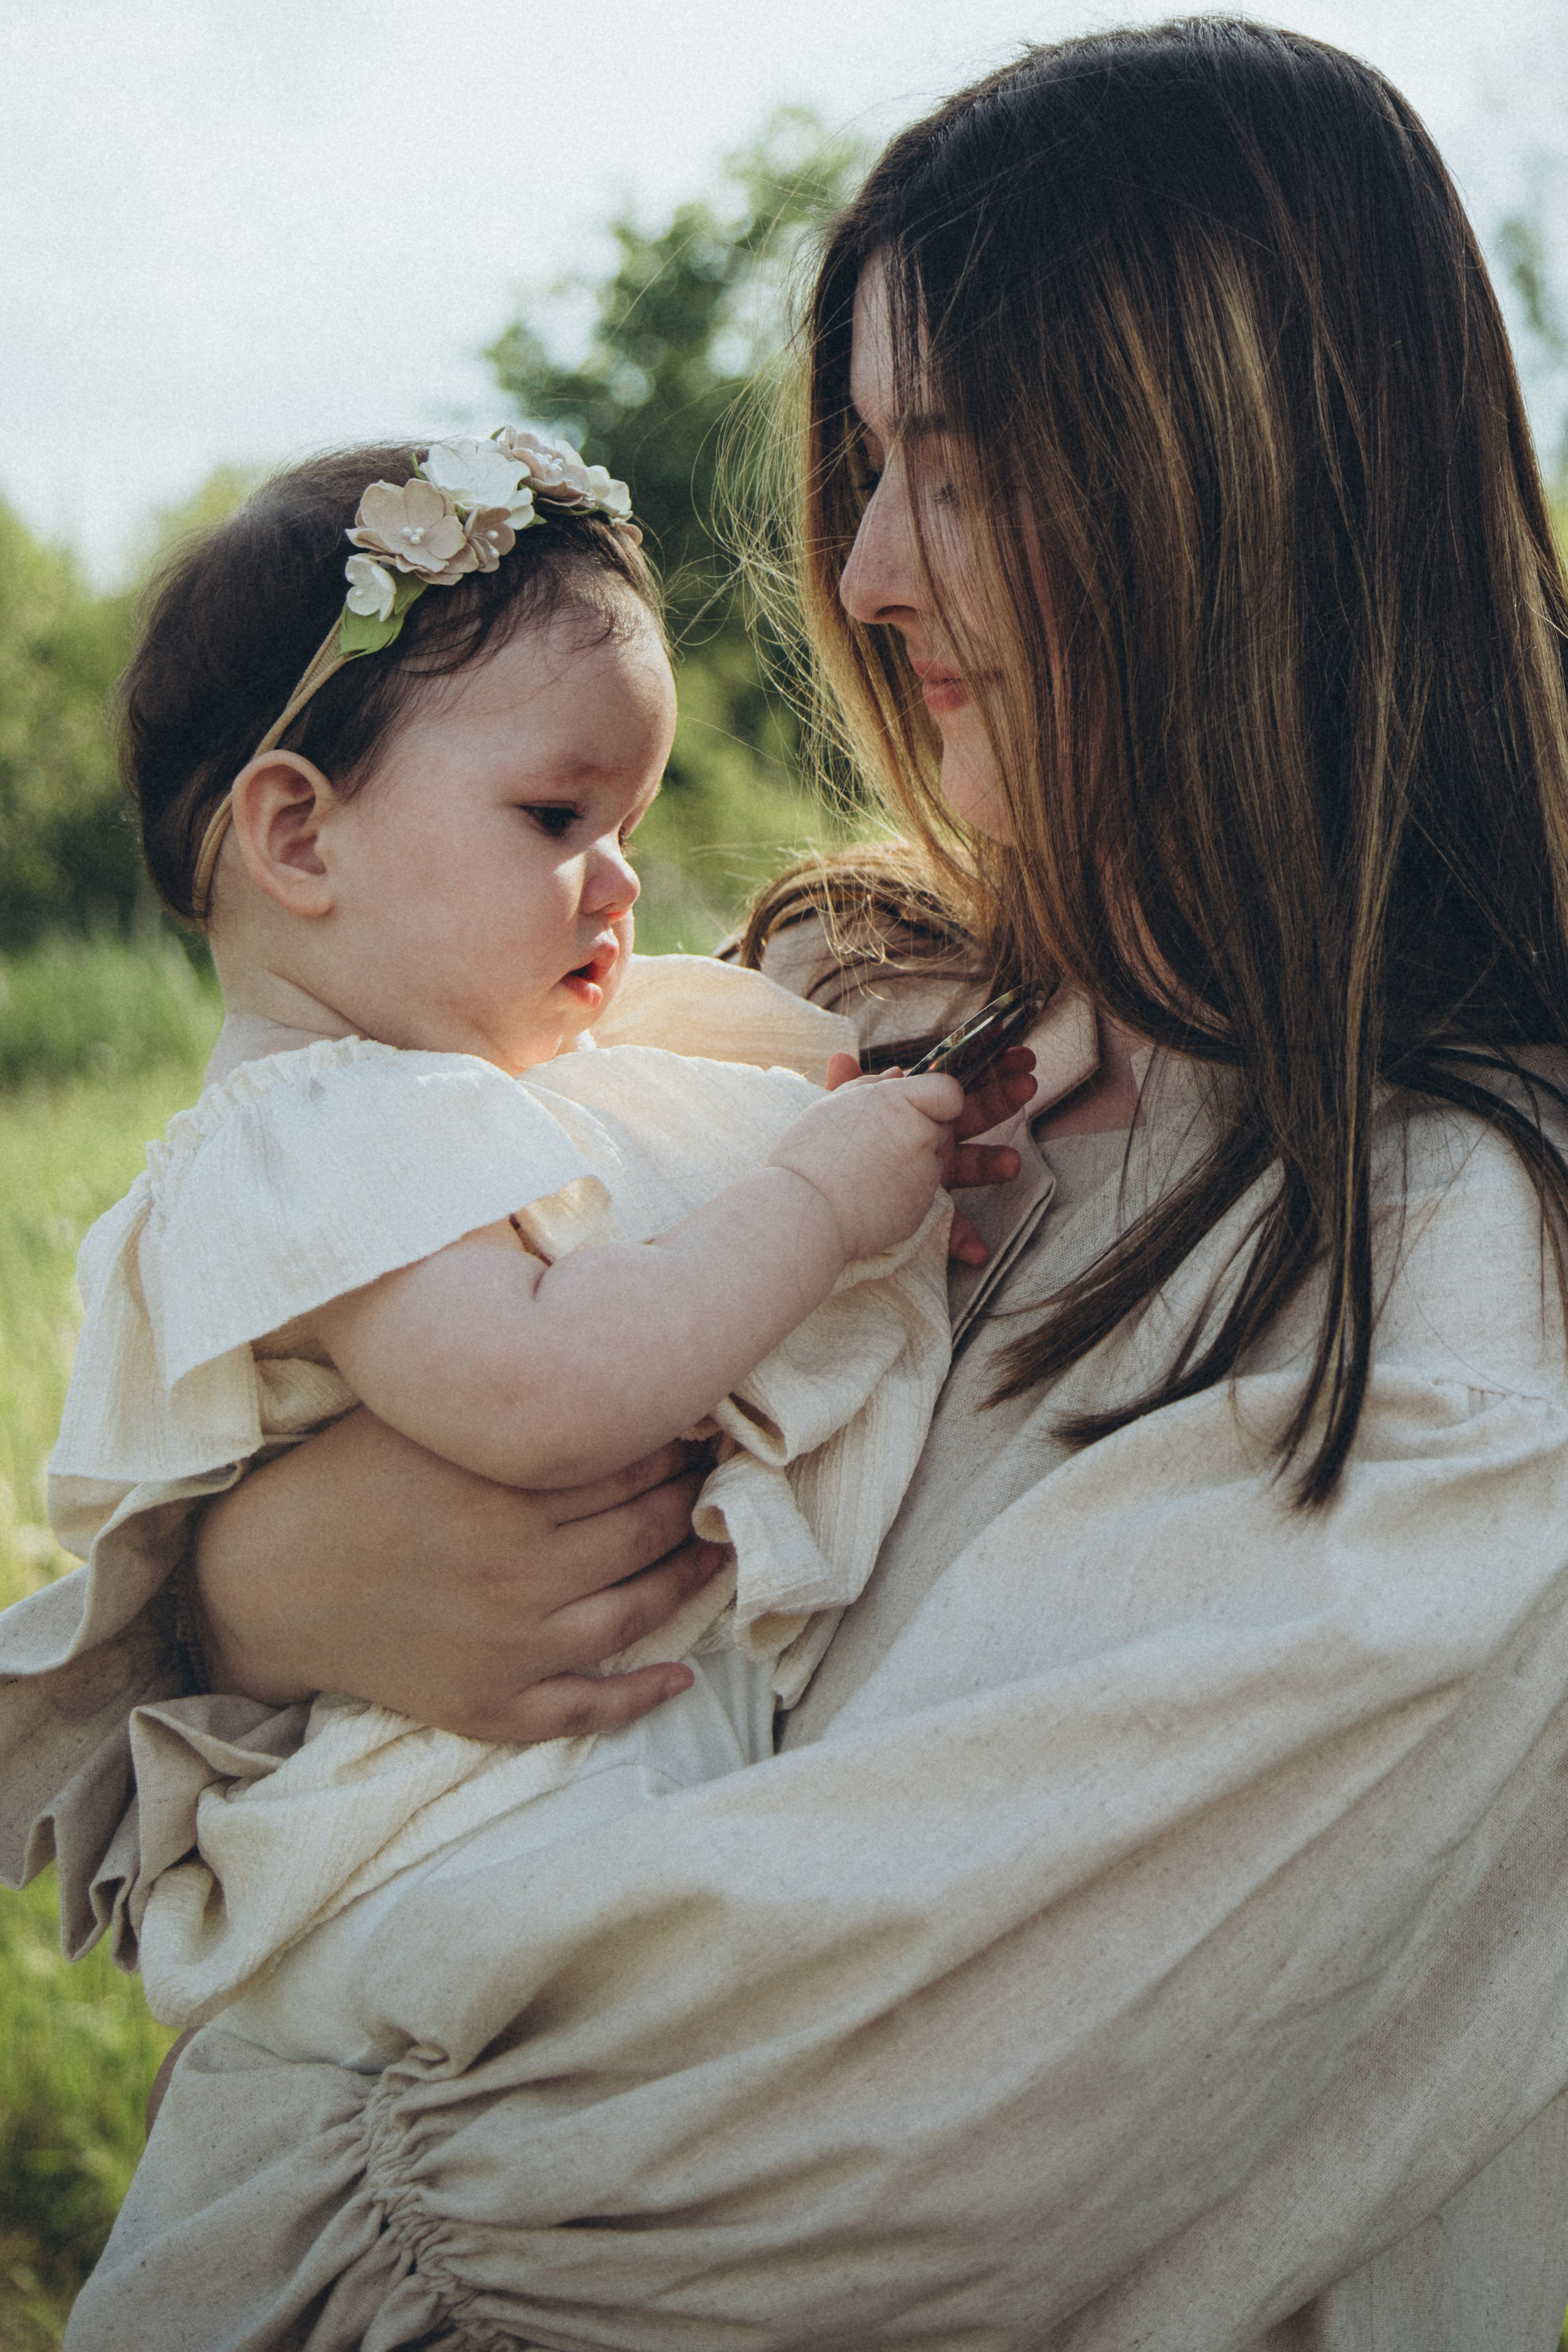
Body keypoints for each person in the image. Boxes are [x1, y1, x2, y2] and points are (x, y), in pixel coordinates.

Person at [10, 17, 1568, 2348]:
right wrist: (255, 1591)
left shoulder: (1448, 1283)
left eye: (951, 471)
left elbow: (763, 2151)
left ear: (1222, 493)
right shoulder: (827, 1011)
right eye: (860, 461)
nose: (858, 565)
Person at [18, 426, 1031, 2052]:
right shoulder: (316, 1131)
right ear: (299, 838)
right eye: (559, 814)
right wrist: (823, 1203)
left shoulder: (456, 1078)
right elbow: (548, 1389)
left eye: (627, 818)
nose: (619, 881)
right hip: (462, 1815)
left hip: (575, 1762)